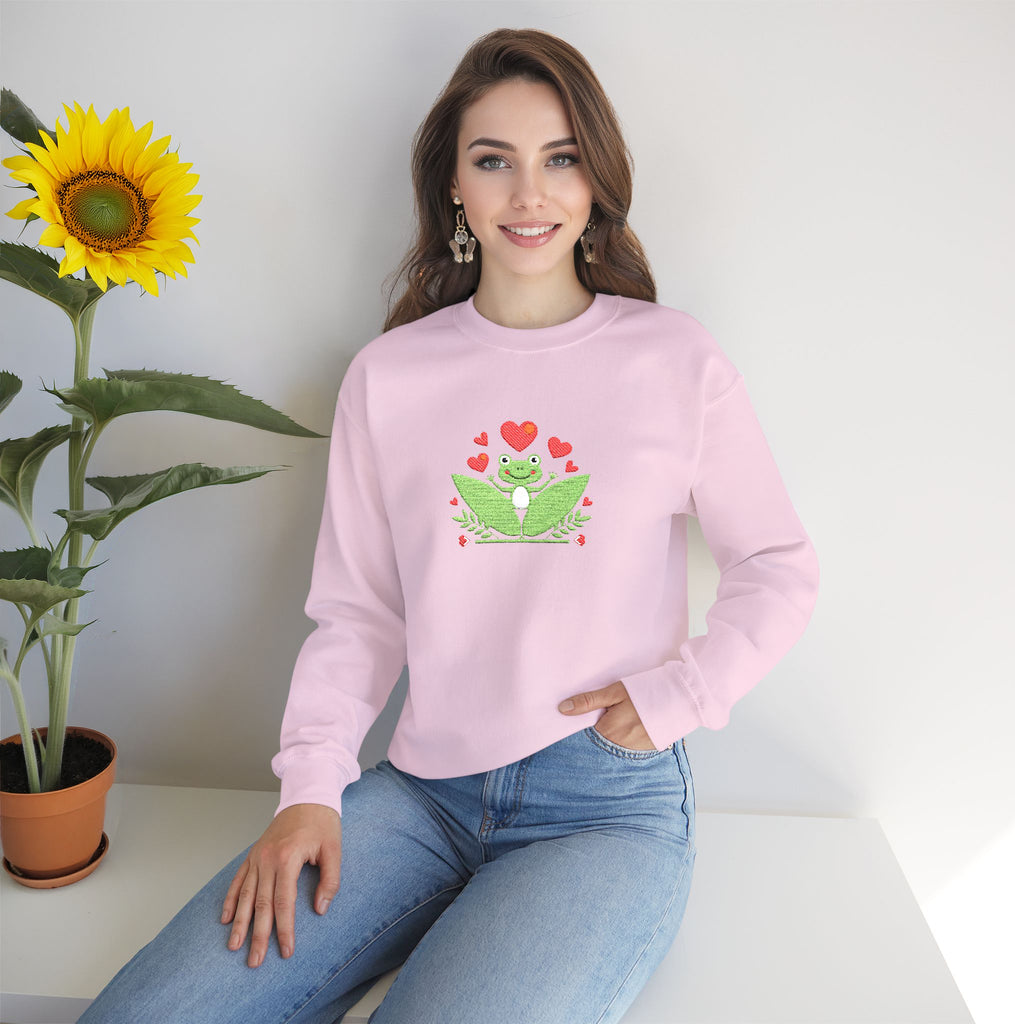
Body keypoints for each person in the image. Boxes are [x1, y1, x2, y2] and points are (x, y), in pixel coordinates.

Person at [79, 27, 818, 1024]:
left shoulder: (675, 361)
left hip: (603, 806)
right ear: (454, 187)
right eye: (494, 160)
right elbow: (359, 613)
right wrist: (310, 789)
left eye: (561, 158)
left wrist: (684, 691)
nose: (530, 193)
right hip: (421, 793)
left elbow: (777, 564)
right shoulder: (390, 376)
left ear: (596, 180)